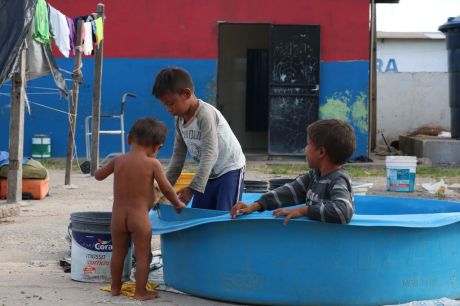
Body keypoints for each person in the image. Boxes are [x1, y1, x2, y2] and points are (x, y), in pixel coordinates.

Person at [95, 117, 185, 301]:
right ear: (157, 148)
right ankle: (140, 292)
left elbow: (98, 176)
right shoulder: (153, 163)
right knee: (143, 256)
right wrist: (177, 203)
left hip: (118, 217)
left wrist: (100, 168)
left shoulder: (118, 160)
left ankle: (114, 288)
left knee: (118, 252)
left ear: (129, 140)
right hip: (139, 218)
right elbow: (167, 188)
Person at [152, 67, 246, 211]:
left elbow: (210, 153)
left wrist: (193, 188)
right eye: (165, 105)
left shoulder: (205, 115)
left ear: (186, 94)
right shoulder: (179, 120)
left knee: (225, 215)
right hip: (208, 173)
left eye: (171, 103)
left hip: (229, 169)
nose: (168, 109)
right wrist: (164, 190)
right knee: (200, 214)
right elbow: (178, 157)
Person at [231, 119, 356, 224]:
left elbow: (342, 212)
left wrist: (304, 210)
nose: (305, 149)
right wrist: (255, 206)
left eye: (308, 144)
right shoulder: (314, 176)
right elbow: (288, 192)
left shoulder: (338, 180)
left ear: (321, 152)